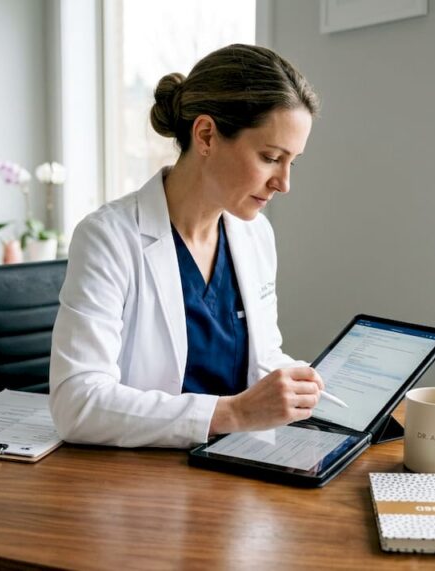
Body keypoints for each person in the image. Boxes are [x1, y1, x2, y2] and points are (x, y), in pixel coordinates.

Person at [49, 44, 322, 448]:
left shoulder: (255, 234)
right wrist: (235, 413)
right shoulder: (108, 237)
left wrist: (300, 385)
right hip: (146, 478)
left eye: (291, 162)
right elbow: (78, 402)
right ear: (206, 134)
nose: (284, 183)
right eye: (270, 157)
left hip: (239, 461)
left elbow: (262, 357)